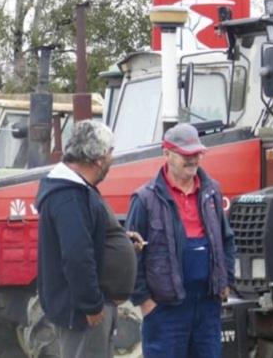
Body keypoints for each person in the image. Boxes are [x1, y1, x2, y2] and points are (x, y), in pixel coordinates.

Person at [126, 123, 236, 358]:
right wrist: (145, 302)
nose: (193, 159)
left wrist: (226, 281)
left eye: (196, 153)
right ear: (166, 154)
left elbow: (227, 239)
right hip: (165, 309)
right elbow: (131, 255)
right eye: (186, 154)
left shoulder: (212, 192)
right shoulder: (145, 199)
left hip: (207, 305)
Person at [36, 120, 132, 358]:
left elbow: (85, 237)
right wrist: (90, 304)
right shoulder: (70, 197)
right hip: (84, 314)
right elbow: (76, 254)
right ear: (98, 158)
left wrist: (121, 241)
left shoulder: (78, 191)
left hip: (90, 309)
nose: (112, 158)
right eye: (110, 152)